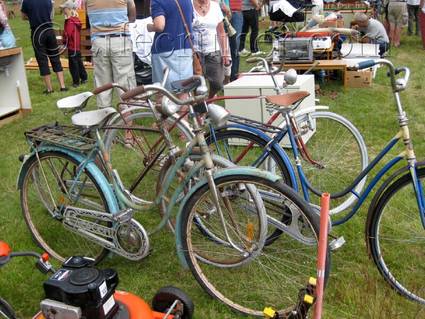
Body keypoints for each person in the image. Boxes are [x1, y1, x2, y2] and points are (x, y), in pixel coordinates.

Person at [86, 0, 137, 108]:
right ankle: (127, 118)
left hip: (99, 41)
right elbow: (132, 17)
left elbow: (89, 16)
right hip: (120, 39)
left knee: (102, 83)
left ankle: (104, 117)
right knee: (125, 81)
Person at [21, 0, 67, 94]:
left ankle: (49, 89)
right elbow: (51, 15)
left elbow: (23, 17)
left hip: (37, 32)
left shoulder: (26, 1)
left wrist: (32, 16)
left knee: (42, 60)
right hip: (49, 30)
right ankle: (62, 86)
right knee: (55, 57)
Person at [148, 0, 193, 90]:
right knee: (183, 92)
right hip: (185, 47)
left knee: (162, 92)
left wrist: (149, 27)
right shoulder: (188, 1)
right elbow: (190, 20)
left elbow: (159, 26)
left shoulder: (157, 1)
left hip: (165, 50)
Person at [192, 0, 230, 98]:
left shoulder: (215, 7)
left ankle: (210, 99)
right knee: (197, 84)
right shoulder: (189, 5)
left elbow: (221, 32)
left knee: (217, 83)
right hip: (194, 51)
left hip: (213, 50)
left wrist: (225, 53)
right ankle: (200, 109)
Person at [61, 0, 88, 88]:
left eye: (64, 8)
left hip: (72, 46)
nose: (63, 10)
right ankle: (84, 78)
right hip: (77, 46)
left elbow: (68, 33)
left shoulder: (70, 21)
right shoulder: (75, 19)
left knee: (73, 65)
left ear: (68, 9)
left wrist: (63, 40)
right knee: (79, 62)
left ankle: (76, 82)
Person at [227, 0, 243, 81]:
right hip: (220, 12)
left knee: (235, 46)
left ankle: (234, 77)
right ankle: (224, 77)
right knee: (221, 46)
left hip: (236, 12)